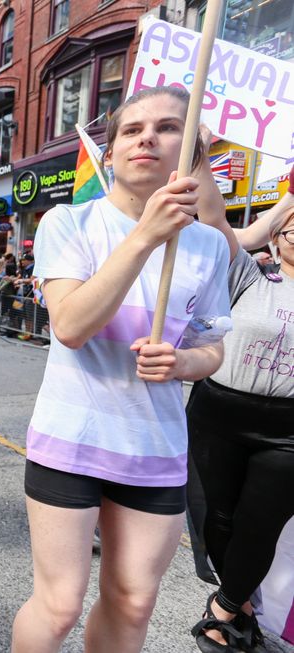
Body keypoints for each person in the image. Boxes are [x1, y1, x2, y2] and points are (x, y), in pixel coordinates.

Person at [10, 86, 232, 653]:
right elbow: (71, 326)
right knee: (58, 606)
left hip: (155, 449)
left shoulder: (209, 247)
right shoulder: (70, 222)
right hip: (72, 440)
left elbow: (212, 347)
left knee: (133, 602)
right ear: (109, 154)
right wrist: (146, 236)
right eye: (132, 130)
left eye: (168, 127)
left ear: (193, 151)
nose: (148, 138)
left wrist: (184, 361)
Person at [185, 164, 294, 652]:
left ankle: (223, 610)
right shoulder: (248, 274)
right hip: (219, 415)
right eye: (292, 227)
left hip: (287, 431)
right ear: (275, 234)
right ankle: (242, 605)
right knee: (219, 518)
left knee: (261, 522)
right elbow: (212, 217)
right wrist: (201, 157)